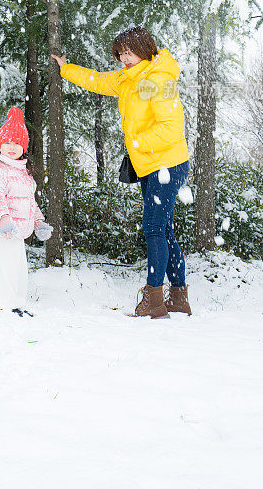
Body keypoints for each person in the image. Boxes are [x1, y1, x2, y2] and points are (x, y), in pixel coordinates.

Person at [52, 26, 191, 319]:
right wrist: (67, 69)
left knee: (154, 228)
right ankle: (178, 297)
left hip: (166, 163)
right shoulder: (128, 80)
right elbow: (99, 81)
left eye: (129, 52)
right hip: (150, 164)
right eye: (120, 54)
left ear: (144, 48)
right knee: (164, 229)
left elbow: (171, 128)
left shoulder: (157, 79)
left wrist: (137, 142)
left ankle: (154, 299)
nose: (124, 59)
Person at [0, 106, 52, 315]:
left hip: (16, 232)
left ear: (24, 147)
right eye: (7, 142)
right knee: (3, 268)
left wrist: (39, 222)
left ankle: (16, 304)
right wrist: (3, 219)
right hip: (0, 230)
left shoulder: (23, 174)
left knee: (17, 270)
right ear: (0, 145)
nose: (12, 147)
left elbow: (29, 202)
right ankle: (2, 305)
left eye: (17, 143)